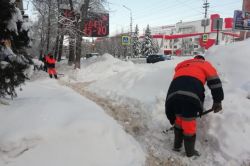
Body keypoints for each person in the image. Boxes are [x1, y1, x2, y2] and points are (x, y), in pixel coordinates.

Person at [165, 55, 224, 157]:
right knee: (188, 122)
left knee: (178, 118)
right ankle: (190, 153)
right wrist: (218, 100)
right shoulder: (205, 64)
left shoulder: (183, 63)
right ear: (202, 60)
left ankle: (177, 146)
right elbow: (215, 83)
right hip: (190, 94)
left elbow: (179, 73)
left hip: (173, 92)